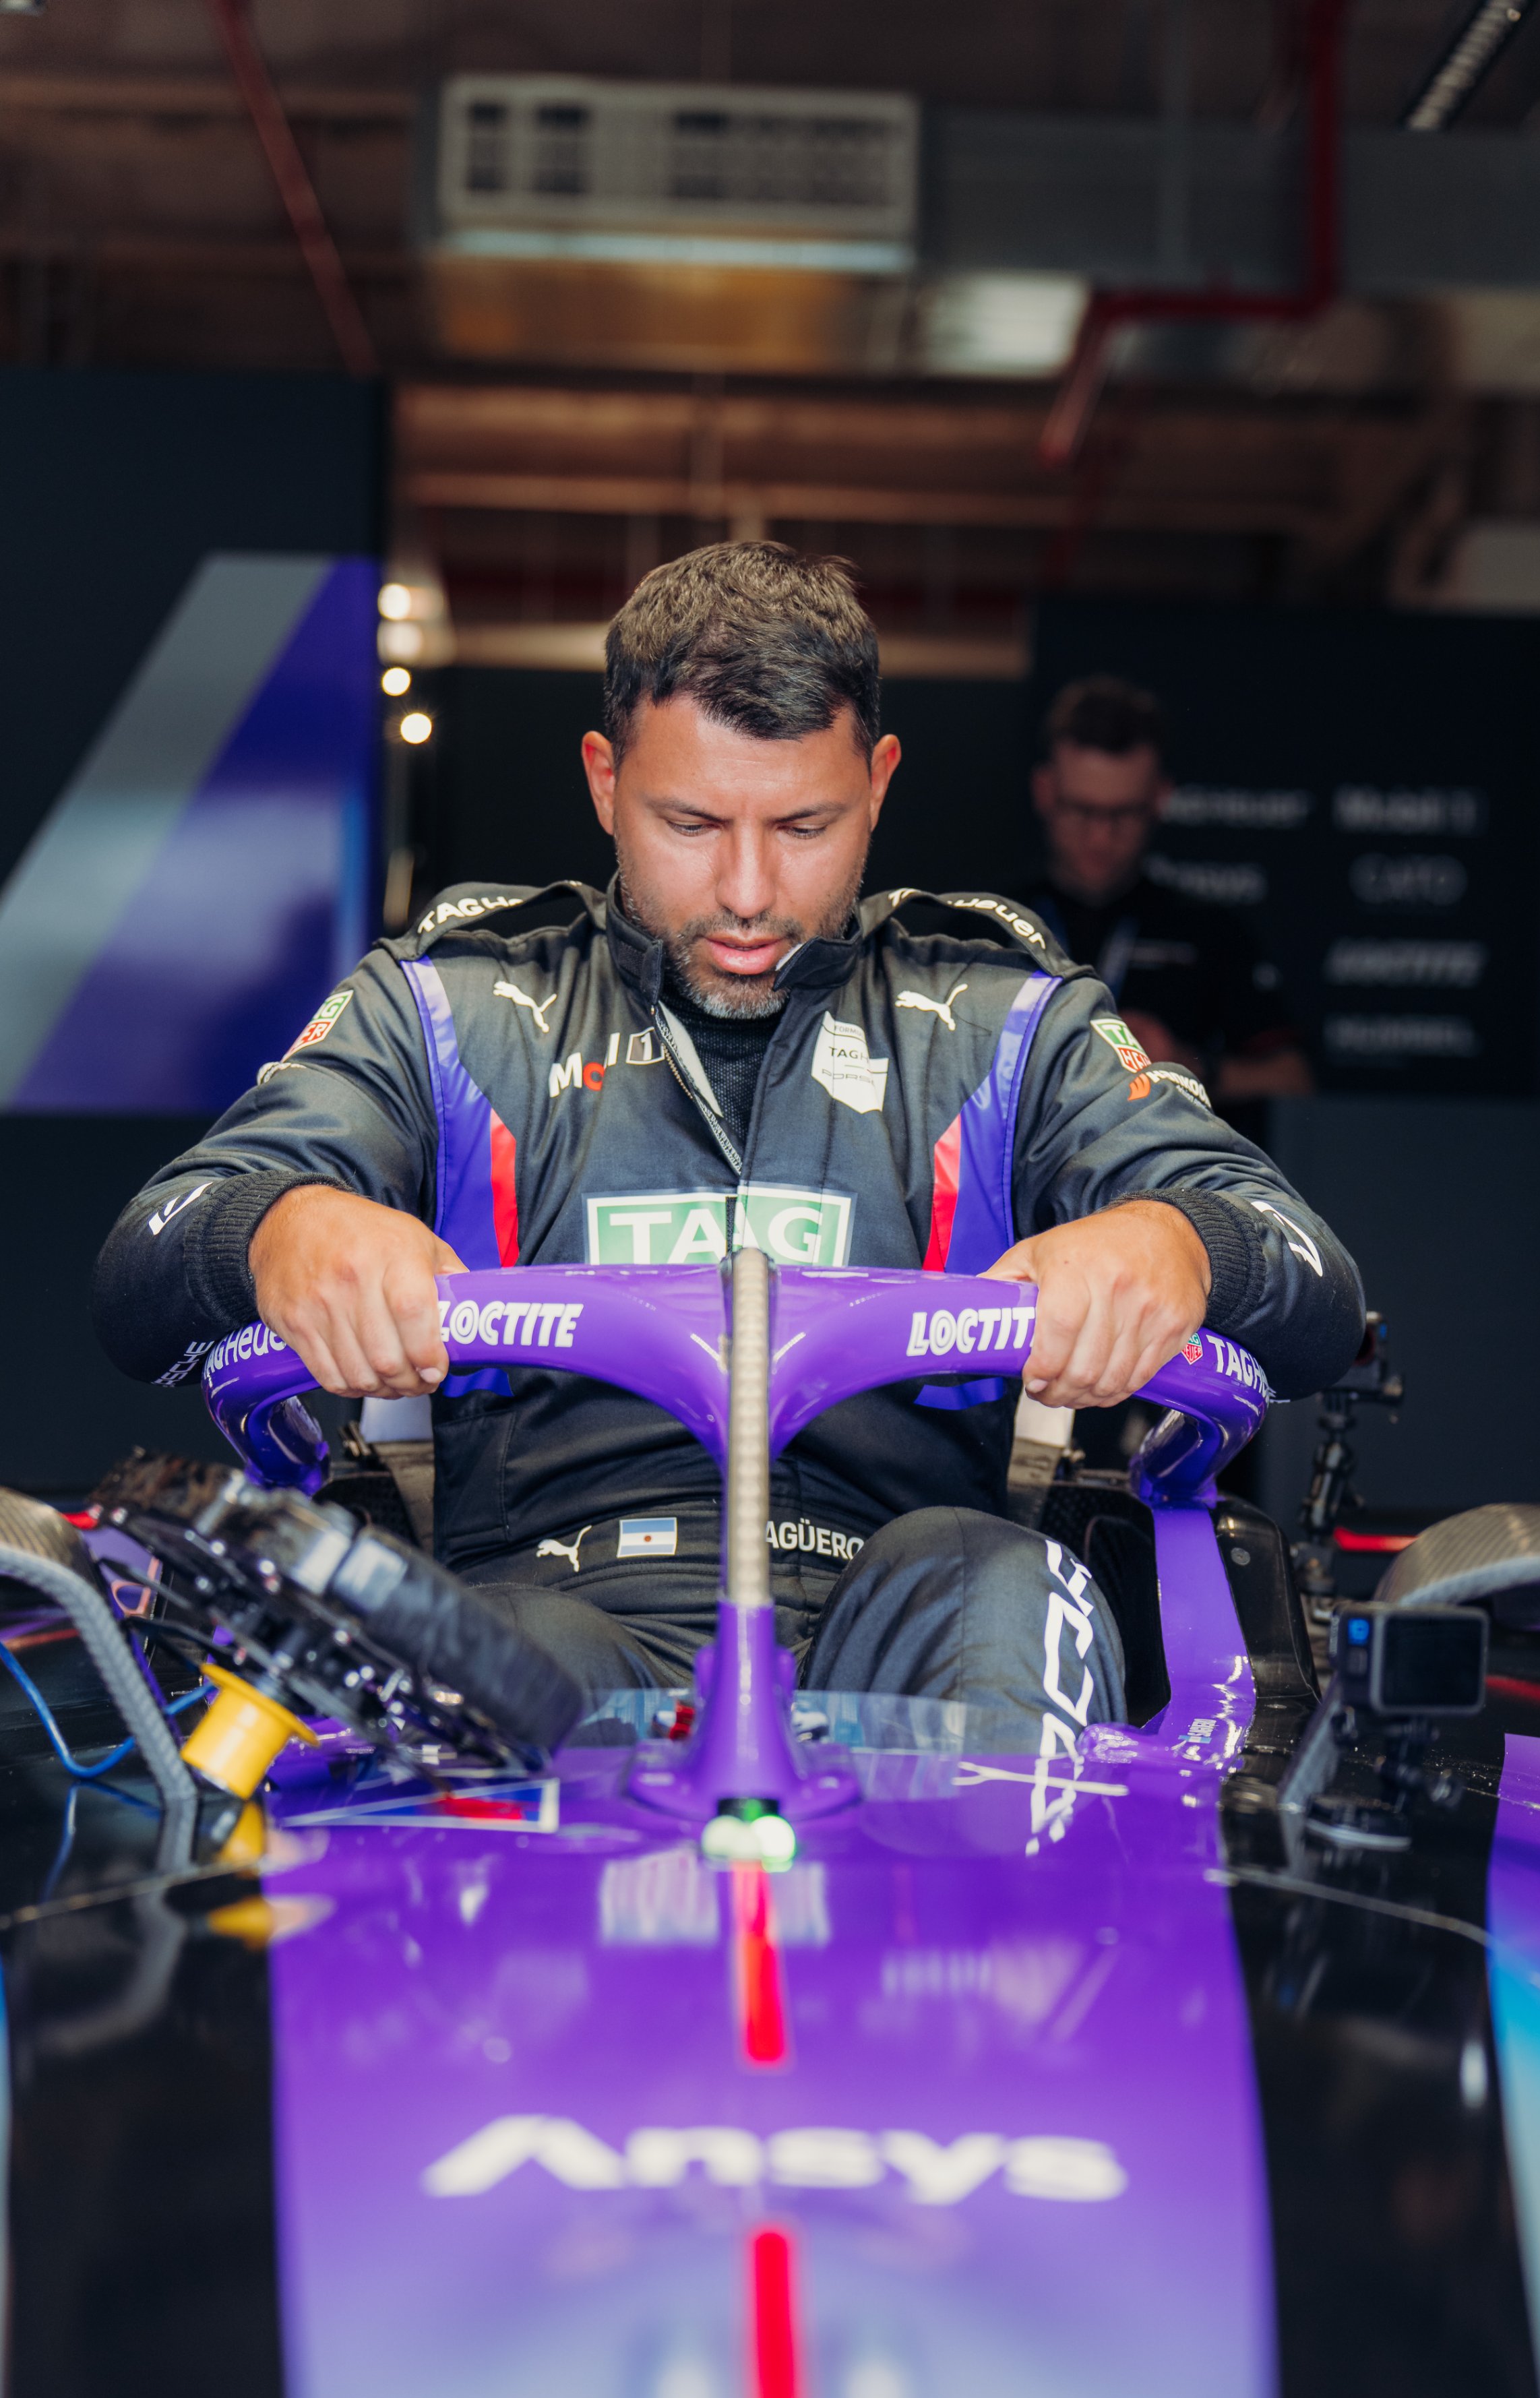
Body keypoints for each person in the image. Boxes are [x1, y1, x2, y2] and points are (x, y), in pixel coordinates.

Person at [93, 543, 1361, 1754]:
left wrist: (1177, 1243)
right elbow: (138, 1280)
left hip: (913, 1601)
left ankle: (978, 1972)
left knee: (1003, 1588)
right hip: (547, 1604)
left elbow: (1317, 1287)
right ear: (603, 781)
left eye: (803, 826)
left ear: (878, 785)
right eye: (691, 823)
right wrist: (277, 1230)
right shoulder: (450, 1002)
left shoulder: (1005, 1013)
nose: (749, 891)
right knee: (474, 1661)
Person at [1020, 675, 1313, 1106]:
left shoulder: (1210, 933)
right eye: (1081, 811)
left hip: (1163, 1169)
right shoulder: (987, 927)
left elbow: (1296, 1079)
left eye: (1124, 814)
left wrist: (1185, 1065)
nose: (1101, 838)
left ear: (1160, 799)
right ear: (1044, 791)